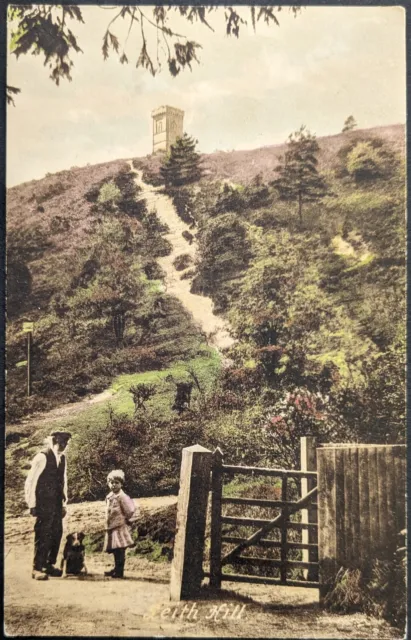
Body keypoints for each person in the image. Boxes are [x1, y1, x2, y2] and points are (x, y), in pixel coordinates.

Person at [25, 431, 72, 580]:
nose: (62, 446)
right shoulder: (42, 457)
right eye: (60, 443)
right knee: (43, 533)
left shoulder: (63, 459)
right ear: (53, 441)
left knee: (56, 532)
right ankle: (37, 568)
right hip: (44, 503)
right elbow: (31, 482)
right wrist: (31, 503)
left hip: (57, 503)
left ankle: (49, 564)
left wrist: (64, 503)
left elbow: (63, 482)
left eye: (65, 443)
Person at [104, 470, 137, 579]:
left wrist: (127, 519)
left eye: (117, 483)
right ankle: (116, 568)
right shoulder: (110, 496)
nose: (114, 485)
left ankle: (119, 571)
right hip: (111, 527)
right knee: (114, 549)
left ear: (121, 484)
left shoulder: (122, 497)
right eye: (111, 482)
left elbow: (130, 509)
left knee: (120, 549)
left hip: (119, 527)